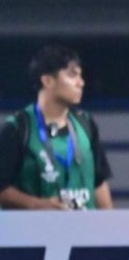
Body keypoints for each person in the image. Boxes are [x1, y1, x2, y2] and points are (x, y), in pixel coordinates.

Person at [0, 44, 113, 210]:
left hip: (85, 232)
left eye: (81, 76)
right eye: (72, 75)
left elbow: (99, 183)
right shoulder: (17, 128)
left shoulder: (86, 124)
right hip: (35, 233)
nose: (80, 83)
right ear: (47, 80)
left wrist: (112, 228)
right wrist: (37, 204)